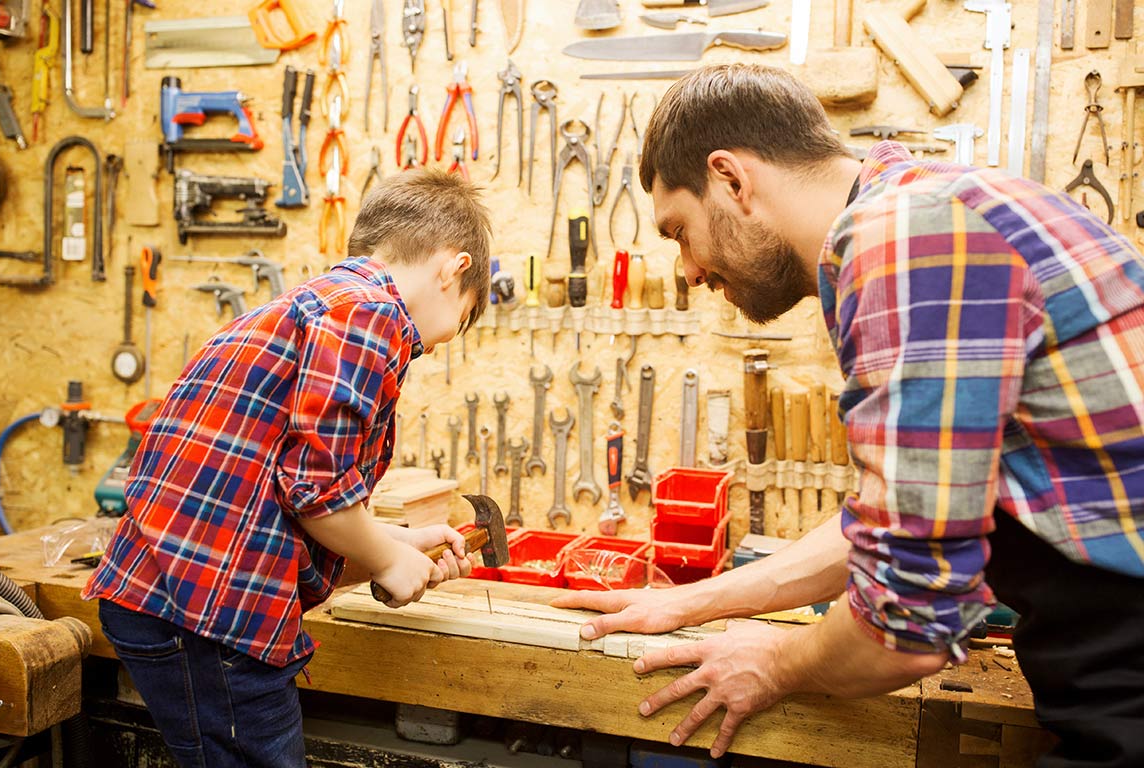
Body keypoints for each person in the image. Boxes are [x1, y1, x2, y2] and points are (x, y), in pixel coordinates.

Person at [553, 63, 1144, 767]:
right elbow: (896, 516)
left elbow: (909, 626)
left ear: (732, 180)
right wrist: (691, 604)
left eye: (679, 230)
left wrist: (776, 662)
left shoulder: (905, 240)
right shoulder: (920, 211)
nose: (689, 271)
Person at [83, 168, 492, 767]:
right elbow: (319, 489)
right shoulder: (370, 312)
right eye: (457, 324)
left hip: (171, 601)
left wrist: (399, 543)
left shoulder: (313, 308)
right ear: (452, 269)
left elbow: (279, 501)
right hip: (207, 617)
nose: (433, 347)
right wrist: (386, 559)